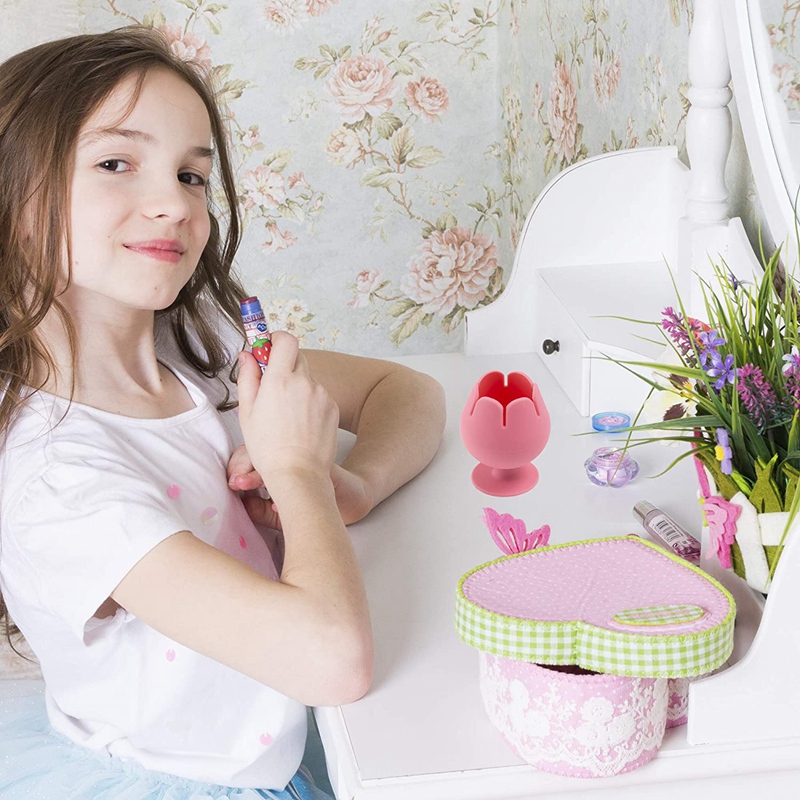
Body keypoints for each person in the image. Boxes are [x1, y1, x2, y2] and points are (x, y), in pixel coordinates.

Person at [0, 26, 446, 800]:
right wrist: (301, 473)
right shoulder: (60, 483)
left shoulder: (197, 343)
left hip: (272, 726)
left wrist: (358, 485)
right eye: (116, 164)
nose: (173, 202)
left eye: (192, 175)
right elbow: (331, 661)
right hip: (193, 779)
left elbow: (407, 394)